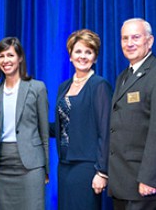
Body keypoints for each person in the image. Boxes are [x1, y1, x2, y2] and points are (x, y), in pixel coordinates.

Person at [0, 37, 49, 210]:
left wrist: (45, 169)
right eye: (1, 56)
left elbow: (44, 132)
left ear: (20, 58)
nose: (5, 60)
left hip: (31, 166)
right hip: (3, 165)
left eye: (10, 55)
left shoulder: (37, 87)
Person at [54, 29, 112, 210]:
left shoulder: (99, 85)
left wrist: (102, 171)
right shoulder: (64, 87)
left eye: (89, 52)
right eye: (78, 51)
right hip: (64, 166)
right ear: (70, 56)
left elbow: (106, 130)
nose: (83, 56)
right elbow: (64, 124)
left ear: (95, 57)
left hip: (87, 167)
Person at [108, 18, 156, 209]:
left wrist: (149, 177)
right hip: (122, 182)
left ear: (149, 41)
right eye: (124, 38)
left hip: (142, 183)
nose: (129, 43)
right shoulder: (123, 76)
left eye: (135, 37)